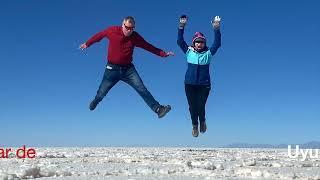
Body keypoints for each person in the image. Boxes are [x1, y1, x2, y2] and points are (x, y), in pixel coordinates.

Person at [80, 16, 174, 118]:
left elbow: (148, 46)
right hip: (112, 69)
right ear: (122, 25)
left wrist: (163, 54)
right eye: (127, 27)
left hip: (128, 70)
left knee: (141, 88)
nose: (129, 30)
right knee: (102, 92)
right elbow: (100, 35)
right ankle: (96, 101)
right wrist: (88, 43)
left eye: (132, 28)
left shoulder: (135, 37)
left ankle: (158, 109)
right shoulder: (112, 31)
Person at [177, 15, 221, 137]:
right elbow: (179, 41)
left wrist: (216, 28)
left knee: (200, 105)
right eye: (197, 42)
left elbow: (217, 44)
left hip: (204, 84)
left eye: (202, 42)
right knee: (192, 107)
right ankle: (194, 125)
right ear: (194, 43)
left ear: (204, 43)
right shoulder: (188, 51)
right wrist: (182, 26)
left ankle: (202, 121)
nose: (199, 44)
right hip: (189, 84)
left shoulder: (208, 54)